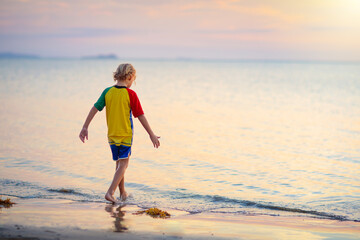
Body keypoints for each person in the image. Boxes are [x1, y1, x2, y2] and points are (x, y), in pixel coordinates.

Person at [79, 63, 160, 203]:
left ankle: (122, 193)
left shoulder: (107, 92)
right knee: (124, 164)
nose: (132, 83)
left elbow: (94, 108)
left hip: (111, 135)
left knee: (119, 164)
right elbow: (140, 115)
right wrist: (151, 134)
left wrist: (85, 127)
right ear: (129, 77)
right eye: (133, 80)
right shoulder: (131, 94)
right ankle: (110, 192)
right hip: (125, 135)